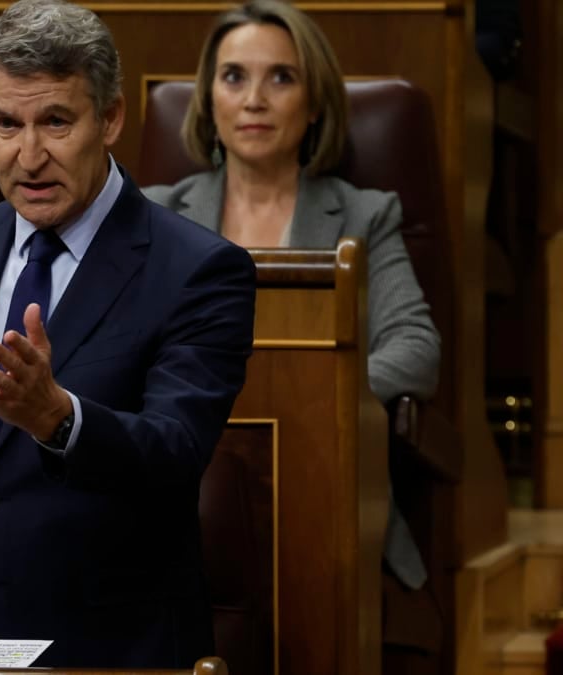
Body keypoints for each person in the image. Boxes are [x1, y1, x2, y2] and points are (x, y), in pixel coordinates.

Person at [0, 0, 256, 668]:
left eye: (56, 121)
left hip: (110, 653)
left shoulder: (198, 269)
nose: (29, 155)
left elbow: (175, 454)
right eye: (6, 122)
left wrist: (61, 420)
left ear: (111, 118)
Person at [139, 0, 443, 662]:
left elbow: (417, 351)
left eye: (281, 77)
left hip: (322, 496)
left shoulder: (364, 215)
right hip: (174, 502)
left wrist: (302, 399)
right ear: (207, 101)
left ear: (314, 104)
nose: (254, 99)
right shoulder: (159, 214)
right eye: (233, 77)